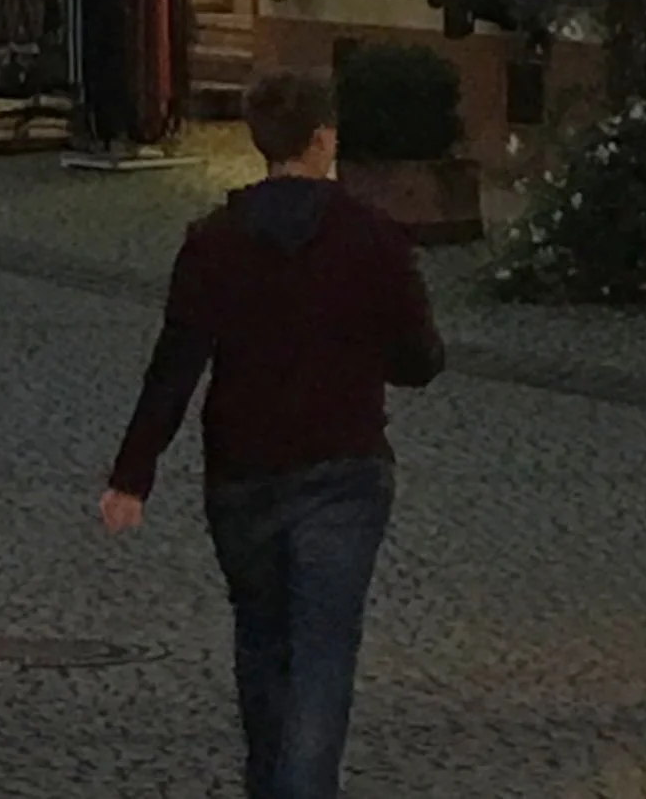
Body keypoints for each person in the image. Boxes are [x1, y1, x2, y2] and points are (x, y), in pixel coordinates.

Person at [100, 68, 443, 799]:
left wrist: (134, 473)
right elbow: (421, 360)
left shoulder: (214, 241)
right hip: (344, 470)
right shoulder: (372, 237)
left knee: (262, 644)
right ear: (323, 139)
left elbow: (176, 365)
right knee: (322, 652)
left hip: (243, 473)